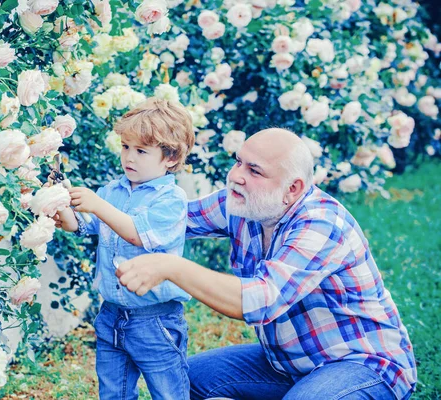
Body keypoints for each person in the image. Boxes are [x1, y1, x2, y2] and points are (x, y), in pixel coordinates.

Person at [116, 128, 417, 399]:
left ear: (293, 189)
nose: (236, 175)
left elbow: (260, 300)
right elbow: (158, 224)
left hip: (363, 366)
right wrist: (81, 213)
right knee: (183, 380)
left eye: (255, 171)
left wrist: (171, 267)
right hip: (288, 364)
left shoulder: (321, 224)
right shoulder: (243, 202)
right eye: (238, 162)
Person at [55, 97, 196, 400]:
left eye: (141, 151)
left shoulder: (171, 200)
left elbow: (136, 235)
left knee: (168, 391)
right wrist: (61, 201)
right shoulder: (113, 191)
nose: (129, 157)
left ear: (170, 158)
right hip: (112, 314)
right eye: (125, 147)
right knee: (113, 391)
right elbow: (79, 225)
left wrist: (97, 204)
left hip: (155, 319)